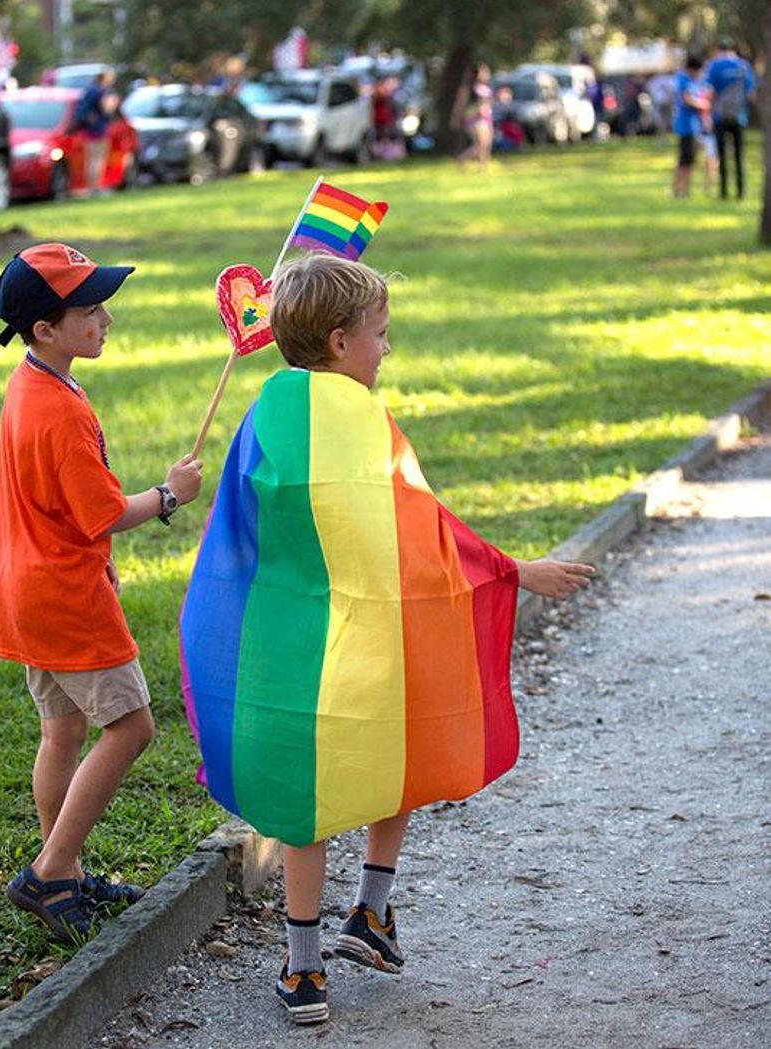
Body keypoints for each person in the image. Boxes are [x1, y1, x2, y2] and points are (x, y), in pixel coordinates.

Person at [180, 254, 595, 1025]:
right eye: (380, 334)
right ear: (339, 341)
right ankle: (370, 907)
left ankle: (305, 971)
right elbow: (422, 525)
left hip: (290, 649)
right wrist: (511, 571)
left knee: (301, 806)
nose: (386, 350)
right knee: (395, 753)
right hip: (374, 634)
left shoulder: (266, 409)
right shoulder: (367, 419)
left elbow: (234, 533)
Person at [0, 242, 203, 942]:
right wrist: (171, 493)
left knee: (64, 729)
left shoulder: (29, 384)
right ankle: (52, 871)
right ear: (46, 328)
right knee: (132, 726)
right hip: (68, 596)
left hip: (26, 589)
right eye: (89, 309)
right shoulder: (64, 411)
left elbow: (62, 504)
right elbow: (104, 512)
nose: (106, 318)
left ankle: (65, 866)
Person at [705, 39, 757, 199]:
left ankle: (724, 192)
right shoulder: (744, 66)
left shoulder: (715, 66)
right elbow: (751, 95)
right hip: (739, 117)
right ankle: (741, 191)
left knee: (721, 155)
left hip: (720, 116)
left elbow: (710, 92)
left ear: (718, 49)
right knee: (738, 155)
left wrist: (709, 114)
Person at [76, 70, 117, 195]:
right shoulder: (102, 91)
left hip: (88, 128)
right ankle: (96, 187)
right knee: (98, 159)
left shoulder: (89, 90)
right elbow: (107, 110)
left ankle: (90, 187)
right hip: (99, 128)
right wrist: (114, 102)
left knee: (90, 159)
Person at [672, 55, 705, 198]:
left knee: (690, 160)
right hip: (686, 126)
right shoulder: (684, 80)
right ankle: (679, 190)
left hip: (693, 125)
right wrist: (705, 105)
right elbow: (688, 99)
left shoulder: (690, 80)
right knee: (684, 160)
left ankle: (686, 190)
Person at [458, 63, 494, 169]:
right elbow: (463, 104)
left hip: (486, 118)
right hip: (475, 119)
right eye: (483, 72)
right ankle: (462, 159)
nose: (485, 74)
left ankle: (483, 165)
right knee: (480, 143)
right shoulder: (471, 89)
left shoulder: (487, 88)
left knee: (486, 143)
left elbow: (489, 103)